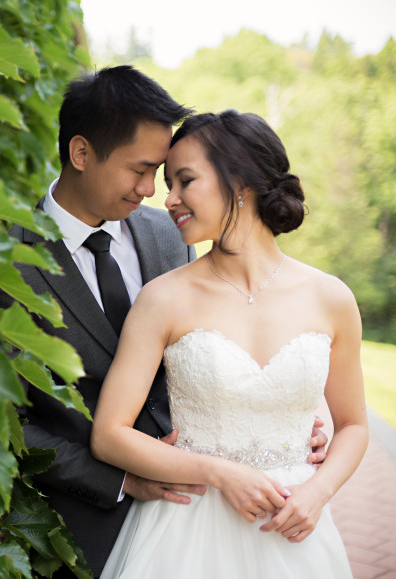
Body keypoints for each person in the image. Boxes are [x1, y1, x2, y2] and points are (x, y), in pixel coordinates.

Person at [0, 66, 329, 576]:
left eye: (162, 173)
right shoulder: (3, 264)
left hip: (215, 518)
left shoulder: (172, 235)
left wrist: (281, 415)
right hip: (79, 523)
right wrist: (117, 479)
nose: (150, 189)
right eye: (139, 169)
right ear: (80, 153)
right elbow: (1, 421)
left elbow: (223, 334)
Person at [91, 110, 368, 578]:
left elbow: (354, 426)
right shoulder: (163, 298)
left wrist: (318, 492)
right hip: (186, 533)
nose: (168, 197)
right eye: (168, 182)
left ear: (239, 180)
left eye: (185, 180)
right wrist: (218, 472)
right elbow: (109, 434)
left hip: (294, 527)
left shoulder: (331, 297)